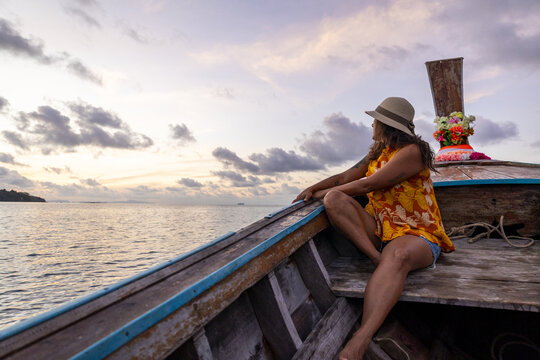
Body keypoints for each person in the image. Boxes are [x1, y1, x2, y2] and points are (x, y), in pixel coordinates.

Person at [293, 97, 455, 360]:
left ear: (386, 125)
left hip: (418, 234)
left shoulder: (412, 152)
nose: (372, 124)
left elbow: (367, 185)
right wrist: (313, 189)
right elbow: (346, 178)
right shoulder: (377, 151)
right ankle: (376, 258)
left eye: (375, 120)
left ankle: (360, 339)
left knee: (399, 256)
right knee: (334, 200)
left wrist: (322, 191)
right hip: (382, 231)